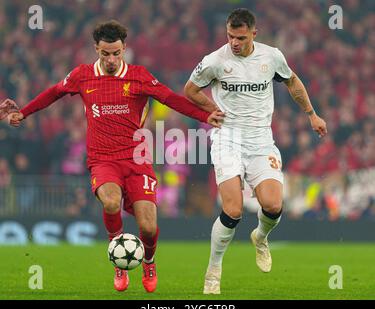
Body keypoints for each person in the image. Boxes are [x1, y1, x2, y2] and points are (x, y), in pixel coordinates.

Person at [3, 20, 224, 294]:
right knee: (110, 202)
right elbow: (54, 93)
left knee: (149, 226)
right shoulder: (82, 75)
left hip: (137, 160)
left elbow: (170, 98)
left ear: (124, 49)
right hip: (103, 160)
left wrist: (205, 115)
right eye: (105, 53)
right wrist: (23, 112)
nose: (111, 59)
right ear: (96, 49)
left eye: (116, 53)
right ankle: (119, 260)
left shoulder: (139, 76)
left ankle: (149, 261)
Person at [184, 8, 327, 294]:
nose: (234, 42)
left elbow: (292, 82)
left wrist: (312, 114)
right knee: (233, 209)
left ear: (253, 33)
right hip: (227, 138)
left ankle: (260, 237)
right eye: (229, 36)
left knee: (273, 206)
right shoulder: (215, 61)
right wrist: (211, 109)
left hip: (261, 139)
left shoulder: (271, 56)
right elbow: (190, 89)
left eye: (240, 37)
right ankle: (214, 270)